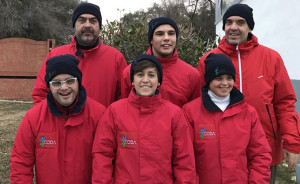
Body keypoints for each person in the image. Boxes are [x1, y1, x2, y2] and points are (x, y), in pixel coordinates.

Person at [197, 3, 300, 183]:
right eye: (228, 22)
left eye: (240, 22)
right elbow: (199, 104)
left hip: (264, 147)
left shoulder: (271, 58)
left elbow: (284, 103)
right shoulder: (208, 60)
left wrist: (291, 142)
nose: (233, 27)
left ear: (250, 27)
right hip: (220, 149)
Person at [92, 54, 196, 183]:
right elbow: (102, 155)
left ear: (159, 81)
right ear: (132, 80)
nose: (145, 80)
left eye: (151, 75)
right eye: (140, 75)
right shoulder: (114, 112)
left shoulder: (174, 114)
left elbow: (184, 160)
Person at [10, 55, 106, 183]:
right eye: (56, 83)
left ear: (79, 81)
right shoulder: (33, 118)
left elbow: (106, 161)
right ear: (49, 86)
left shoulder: (99, 115)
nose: (64, 87)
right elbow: (20, 163)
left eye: (70, 81)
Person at [183, 53, 272, 183]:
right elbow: (185, 158)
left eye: (229, 78)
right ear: (209, 80)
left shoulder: (248, 112)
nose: (224, 83)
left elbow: (260, 154)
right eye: (218, 78)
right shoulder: (190, 112)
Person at [32, 2, 127, 107]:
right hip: (64, 123)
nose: (87, 25)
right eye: (82, 20)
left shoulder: (115, 58)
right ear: (74, 24)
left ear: (99, 26)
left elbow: (123, 100)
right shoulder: (56, 55)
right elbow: (40, 95)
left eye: (93, 21)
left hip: (104, 123)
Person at [121, 17, 201, 107]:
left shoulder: (192, 75)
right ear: (151, 40)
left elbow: (194, 113)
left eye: (171, 33)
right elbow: (123, 109)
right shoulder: (130, 72)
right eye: (160, 34)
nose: (166, 38)